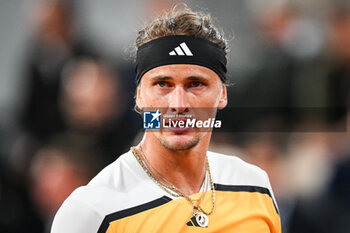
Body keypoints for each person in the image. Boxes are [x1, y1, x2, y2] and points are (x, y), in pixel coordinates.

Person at [51, 5, 281, 233]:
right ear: (139, 95)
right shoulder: (91, 211)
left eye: (196, 84)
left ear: (222, 95)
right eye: (162, 84)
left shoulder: (255, 187)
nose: (178, 104)